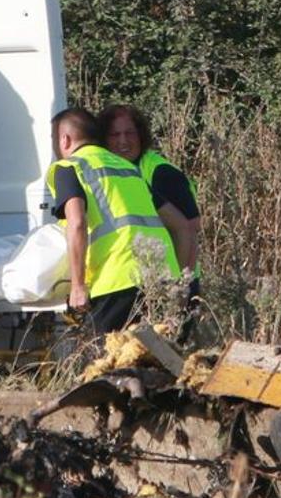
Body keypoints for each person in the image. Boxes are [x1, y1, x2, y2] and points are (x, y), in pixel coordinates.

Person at [45, 106, 182, 333]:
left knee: (104, 361)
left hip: (116, 280)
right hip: (162, 278)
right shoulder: (129, 168)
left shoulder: (69, 167)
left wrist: (78, 287)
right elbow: (181, 224)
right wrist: (180, 277)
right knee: (160, 361)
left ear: (65, 139)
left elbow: (77, 223)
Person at [98, 104, 200, 280]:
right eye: (115, 135)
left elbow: (190, 229)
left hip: (172, 283)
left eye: (130, 133)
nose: (123, 141)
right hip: (145, 279)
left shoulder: (161, 173)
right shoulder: (115, 172)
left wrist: (182, 284)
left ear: (141, 136)